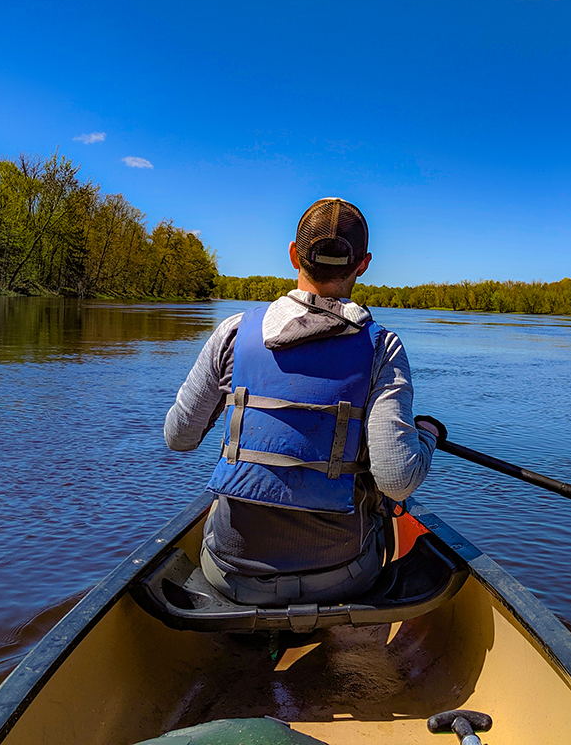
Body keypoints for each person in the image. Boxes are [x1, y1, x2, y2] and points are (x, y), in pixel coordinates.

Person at [164, 197, 445, 607]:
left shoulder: (233, 333)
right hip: (341, 578)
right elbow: (396, 481)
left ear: (295, 255)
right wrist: (427, 435)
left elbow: (179, 437)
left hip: (231, 574)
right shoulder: (382, 347)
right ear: (363, 264)